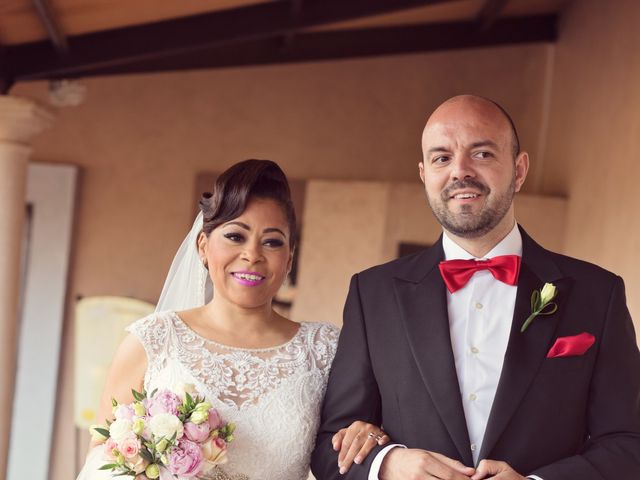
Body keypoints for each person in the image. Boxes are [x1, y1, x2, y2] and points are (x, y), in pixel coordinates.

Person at [311, 95, 640, 479]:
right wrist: (388, 465)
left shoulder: (598, 293)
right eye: (441, 158)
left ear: (519, 170)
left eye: (481, 154)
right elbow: (330, 445)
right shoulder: (372, 294)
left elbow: (628, 443)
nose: (460, 171)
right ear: (424, 174)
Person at [76, 159, 387, 480]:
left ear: (289, 258)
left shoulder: (325, 349)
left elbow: (350, 442)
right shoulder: (152, 340)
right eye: (236, 236)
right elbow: (102, 457)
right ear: (202, 246)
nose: (253, 254)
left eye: (272, 241)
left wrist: (369, 432)